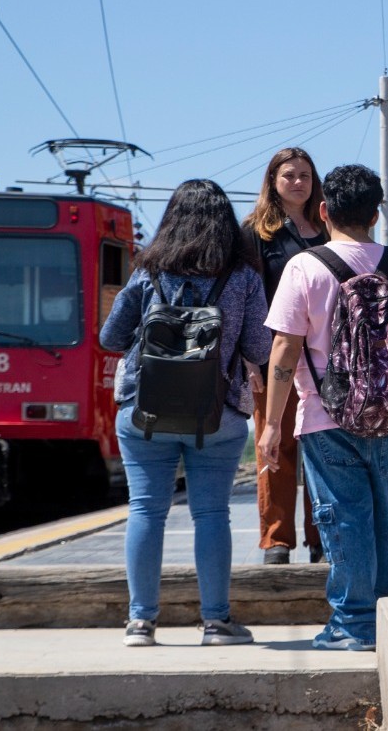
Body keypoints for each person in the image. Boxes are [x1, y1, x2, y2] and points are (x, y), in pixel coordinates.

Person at [259, 164, 388, 651]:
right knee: (382, 517)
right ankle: (378, 620)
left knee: (343, 517)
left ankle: (352, 625)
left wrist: (271, 424)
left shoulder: (305, 267)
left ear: (324, 211)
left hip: (325, 415)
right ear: (376, 214)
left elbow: (283, 350)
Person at [100, 179, 271, 647]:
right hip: (217, 415)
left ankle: (140, 623)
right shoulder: (243, 278)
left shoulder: (146, 272)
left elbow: (111, 339)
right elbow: (260, 347)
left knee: (145, 510)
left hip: (144, 410)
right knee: (212, 513)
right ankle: (216, 623)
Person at [242, 147, 328, 565]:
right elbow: (243, 297)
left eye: (305, 175)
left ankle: (320, 538)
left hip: (326, 361)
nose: (298, 182)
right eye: (289, 175)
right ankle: (276, 539)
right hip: (272, 356)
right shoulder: (256, 232)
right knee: (273, 445)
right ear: (273, 180)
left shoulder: (331, 229)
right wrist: (246, 356)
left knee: (320, 446)